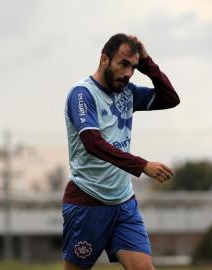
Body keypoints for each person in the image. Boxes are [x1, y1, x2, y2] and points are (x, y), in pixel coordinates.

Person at [62, 33, 180, 270]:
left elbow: (170, 98)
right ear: (104, 59)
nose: (128, 73)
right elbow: (92, 143)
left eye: (133, 67)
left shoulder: (128, 92)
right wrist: (142, 165)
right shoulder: (82, 94)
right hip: (88, 202)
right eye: (123, 64)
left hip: (124, 203)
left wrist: (147, 62)